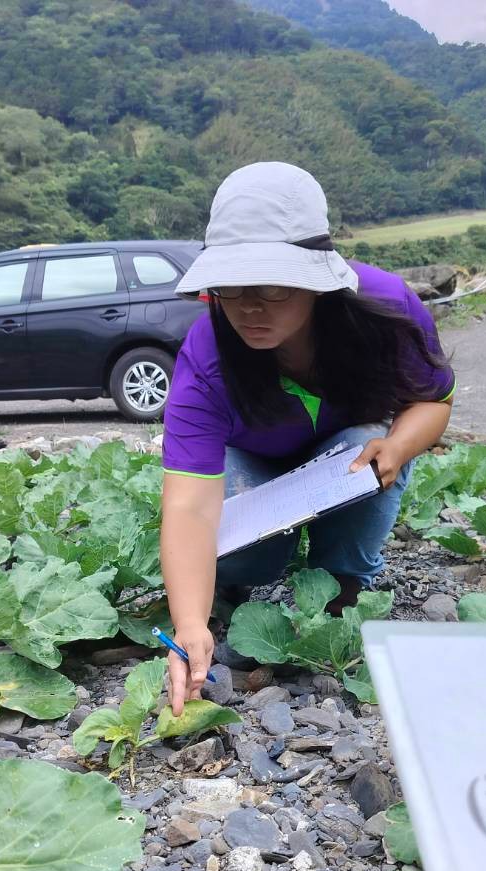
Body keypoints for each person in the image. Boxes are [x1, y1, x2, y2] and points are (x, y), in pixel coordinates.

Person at [160, 162, 455, 714]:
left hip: (339, 459)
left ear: (316, 279)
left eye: (273, 287)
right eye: (231, 287)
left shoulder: (384, 307)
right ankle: (239, 582)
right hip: (252, 462)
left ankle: (341, 590)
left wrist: (399, 446)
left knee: (369, 439)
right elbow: (189, 505)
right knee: (251, 563)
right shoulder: (206, 356)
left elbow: (433, 402)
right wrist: (190, 625)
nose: (249, 306)